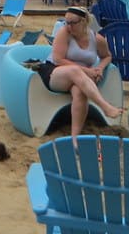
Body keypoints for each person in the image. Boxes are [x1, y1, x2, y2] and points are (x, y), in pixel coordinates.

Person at [39, 7, 123, 140]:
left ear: (83, 22)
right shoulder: (64, 33)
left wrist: (100, 68)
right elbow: (58, 59)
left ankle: (75, 138)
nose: (69, 26)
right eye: (66, 22)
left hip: (80, 78)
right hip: (55, 72)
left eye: (73, 22)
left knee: (79, 91)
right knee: (75, 71)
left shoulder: (97, 39)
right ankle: (104, 106)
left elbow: (107, 56)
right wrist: (87, 71)